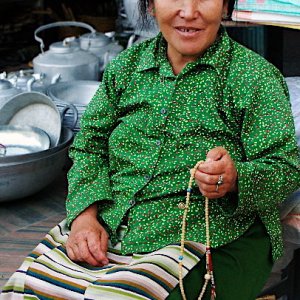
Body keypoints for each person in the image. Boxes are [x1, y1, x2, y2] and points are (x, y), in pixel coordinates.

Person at [1, 0, 300, 299]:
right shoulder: (126, 69)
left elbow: (286, 168)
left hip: (208, 236)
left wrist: (233, 178)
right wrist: (84, 217)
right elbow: (90, 146)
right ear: (151, 6)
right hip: (109, 222)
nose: (189, 11)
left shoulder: (253, 77)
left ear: (224, 6)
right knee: (25, 291)